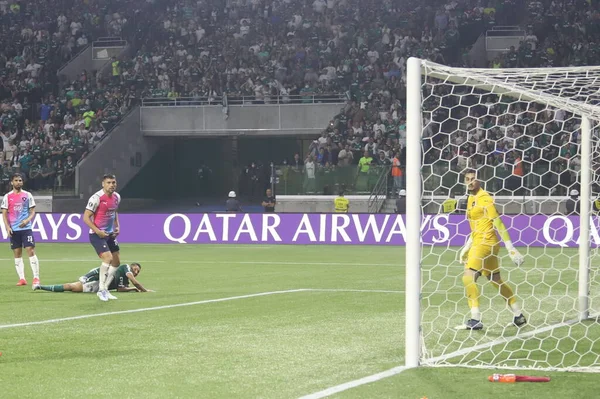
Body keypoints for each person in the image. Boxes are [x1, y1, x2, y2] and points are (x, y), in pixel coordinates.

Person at [457, 169, 527, 330]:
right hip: (482, 242)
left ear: (480, 181)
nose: (470, 182)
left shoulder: (485, 198)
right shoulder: (470, 198)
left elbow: (498, 222)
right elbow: (476, 226)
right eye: (467, 179)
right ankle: (518, 315)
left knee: (468, 278)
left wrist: (511, 248)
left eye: (473, 179)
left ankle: (475, 319)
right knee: (496, 280)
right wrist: (467, 247)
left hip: (485, 243)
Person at [83, 174, 121, 302]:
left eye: (113, 182)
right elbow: (86, 217)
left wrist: (117, 226)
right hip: (96, 235)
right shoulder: (96, 198)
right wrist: (98, 231)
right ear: (103, 184)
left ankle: (105, 288)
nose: (112, 185)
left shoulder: (117, 197)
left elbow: (115, 211)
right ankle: (101, 290)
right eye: (109, 182)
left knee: (116, 262)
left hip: (109, 234)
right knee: (108, 258)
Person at [1, 173, 41, 287]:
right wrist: (7, 227)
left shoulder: (27, 195)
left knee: (30, 250)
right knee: (17, 253)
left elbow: (32, 211)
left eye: (20, 180)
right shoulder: (7, 197)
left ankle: (36, 278)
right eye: (16, 180)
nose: (19, 182)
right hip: (14, 229)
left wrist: (27, 220)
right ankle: (22, 278)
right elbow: (4, 214)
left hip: (26, 228)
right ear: (11, 182)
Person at [34, 263, 152, 293]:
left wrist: (132, 289)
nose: (135, 271)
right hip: (101, 275)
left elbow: (120, 289)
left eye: (138, 271)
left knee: (72, 288)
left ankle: (40, 287)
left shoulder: (125, 282)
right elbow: (134, 281)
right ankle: (86, 277)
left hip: (99, 285)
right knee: (105, 269)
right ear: (131, 267)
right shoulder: (126, 268)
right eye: (135, 268)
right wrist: (144, 290)